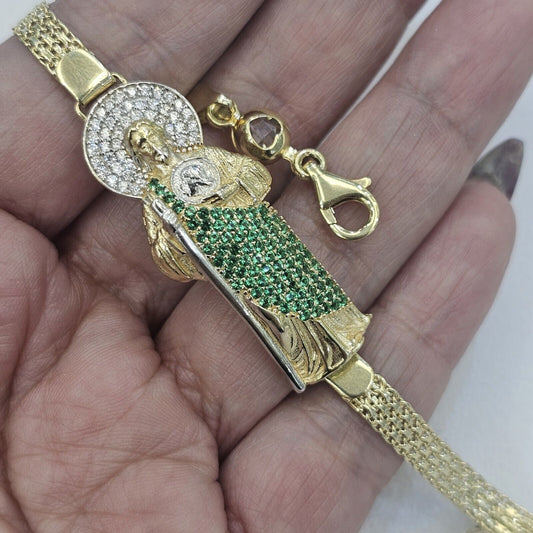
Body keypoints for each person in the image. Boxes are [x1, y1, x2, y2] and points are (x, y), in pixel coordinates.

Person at [0, 1, 531, 531]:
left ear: (162, 132)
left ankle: (479, 497)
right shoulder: (154, 199)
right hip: (235, 268)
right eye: (139, 145)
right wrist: (179, 228)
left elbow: (253, 179)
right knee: (285, 326)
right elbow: (173, 262)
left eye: (150, 136)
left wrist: (222, 196)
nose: (150, 146)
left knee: (313, 305)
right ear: (133, 156)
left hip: (267, 241)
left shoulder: (205, 158)